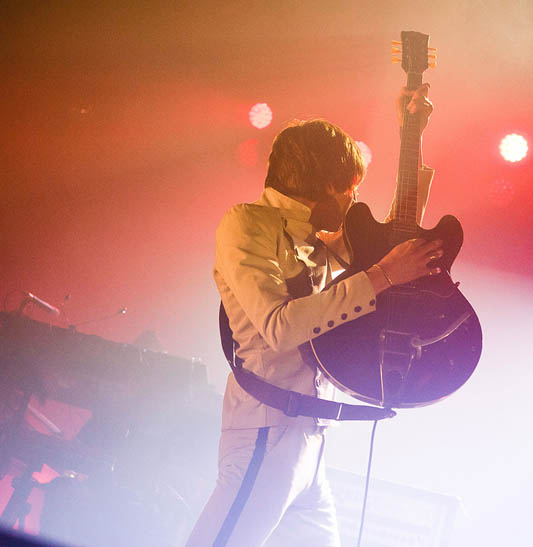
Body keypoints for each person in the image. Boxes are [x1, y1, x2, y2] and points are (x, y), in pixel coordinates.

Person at [186, 84, 438, 547]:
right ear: (323, 185)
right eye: (349, 187)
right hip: (267, 432)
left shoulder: (319, 239)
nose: (352, 198)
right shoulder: (246, 224)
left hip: (309, 442)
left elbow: (391, 247)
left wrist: (412, 134)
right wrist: (382, 275)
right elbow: (279, 327)